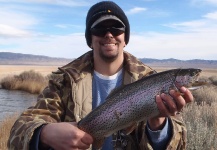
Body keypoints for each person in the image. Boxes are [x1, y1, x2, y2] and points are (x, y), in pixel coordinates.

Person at [8, 1, 193, 150]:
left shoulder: (151, 81)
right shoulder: (64, 81)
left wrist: (159, 123)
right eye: (100, 28)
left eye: (116, 27)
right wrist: (45, 134)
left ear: (125, 37)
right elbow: (18, 133)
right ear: (90, 39)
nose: (109, 34)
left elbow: (179, 144)